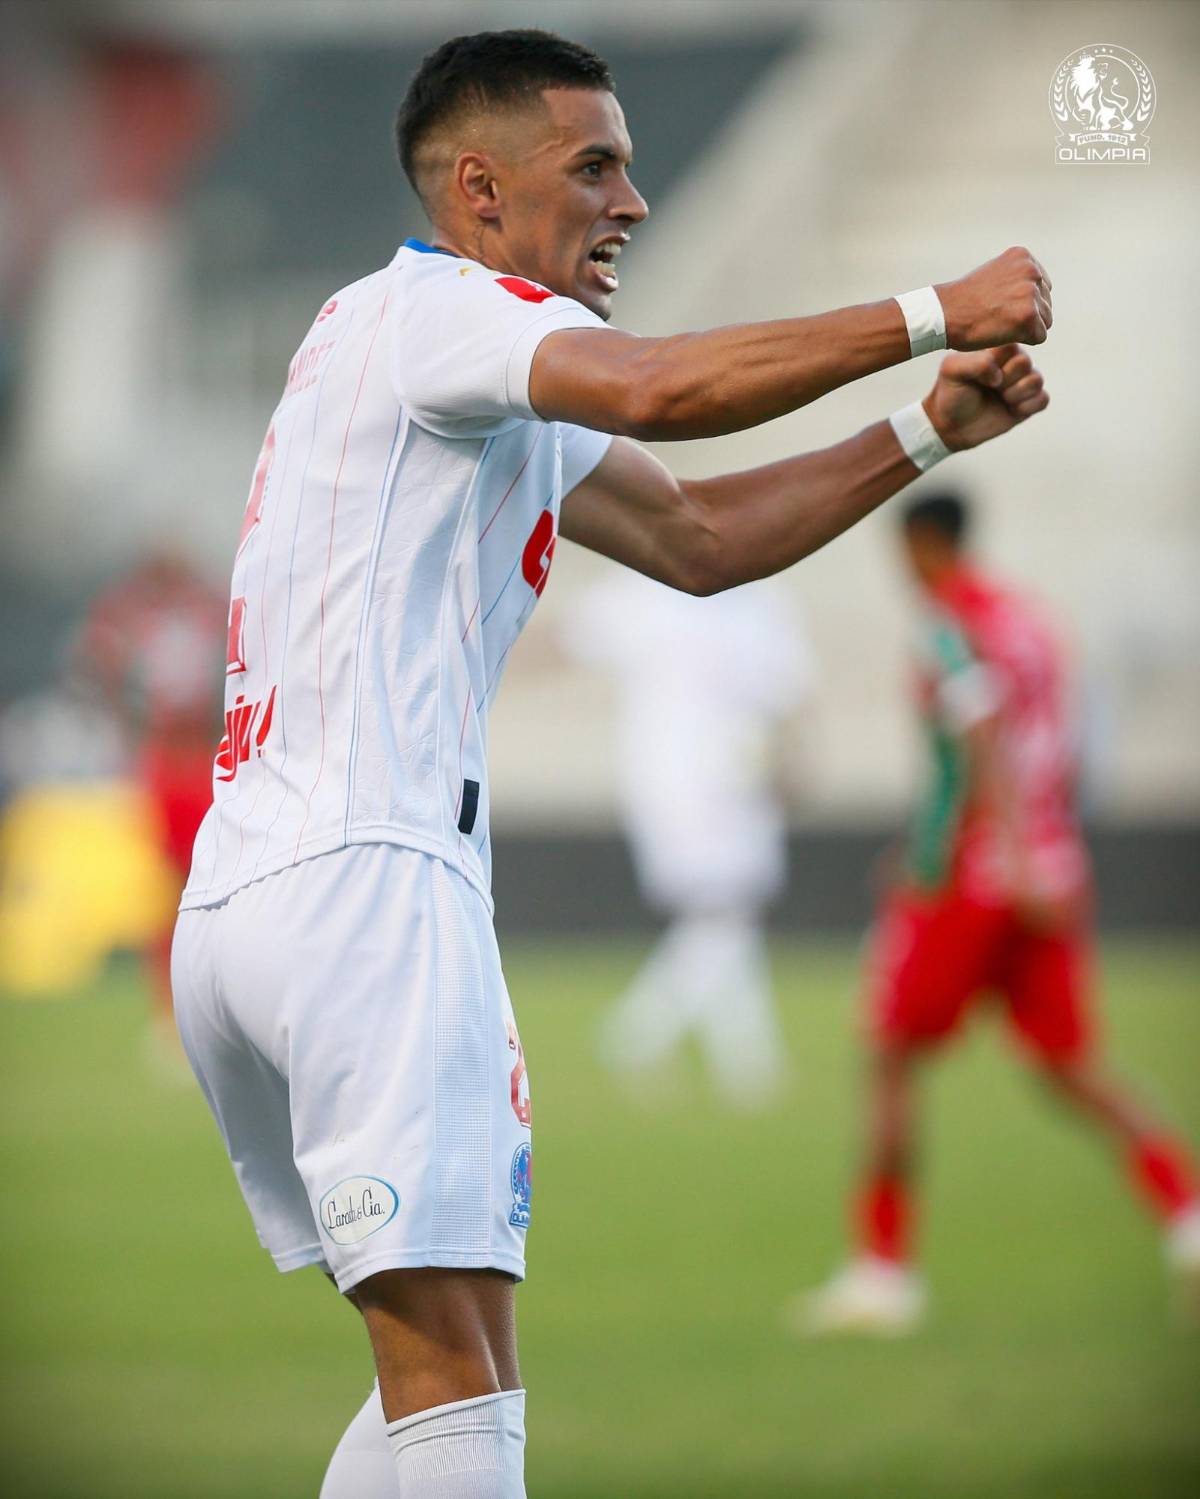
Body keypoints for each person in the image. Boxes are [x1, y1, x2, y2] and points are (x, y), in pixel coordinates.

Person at [169, 29, 1054, 1497]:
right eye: (595, 167)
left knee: (424, 1379)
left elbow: (696, 540)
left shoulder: (412, 343)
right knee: (463, 1378)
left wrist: (920, 431)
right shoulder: (451, 315)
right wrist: (930, 310)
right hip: (369, 888)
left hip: (253, 894)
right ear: (479, 191)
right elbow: (654, 388)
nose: (632, 201)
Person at [797, 492, 1200, 1337]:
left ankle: (883, 1272)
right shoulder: (1032, 624)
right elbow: (1071, 740)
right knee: (1072, 1063)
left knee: (889, 1053)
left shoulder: (946, 623)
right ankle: (1186, 1210)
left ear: (924, 543)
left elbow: (978, 740)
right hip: (1050, 862)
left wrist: (989, 851)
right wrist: (1048, 847)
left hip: (978, 876)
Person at [565, 572, 814, 1107]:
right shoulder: (652, 591)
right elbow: (570, 635)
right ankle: (638, 1035)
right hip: (676, 783)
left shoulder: (756, 603)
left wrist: (793, 761)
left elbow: (788, 693)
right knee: (723, 913)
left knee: (726, 915)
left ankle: (748, 1065)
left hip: (737, 779)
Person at [80, 550, 224, 1052]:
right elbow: (100, 654)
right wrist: (129, 727)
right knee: (169, 888)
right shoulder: (138, 616)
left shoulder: (206, 611)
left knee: (210, 879)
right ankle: (168, 1008)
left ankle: (213, 1000)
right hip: (164, 760)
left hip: (201, 759)